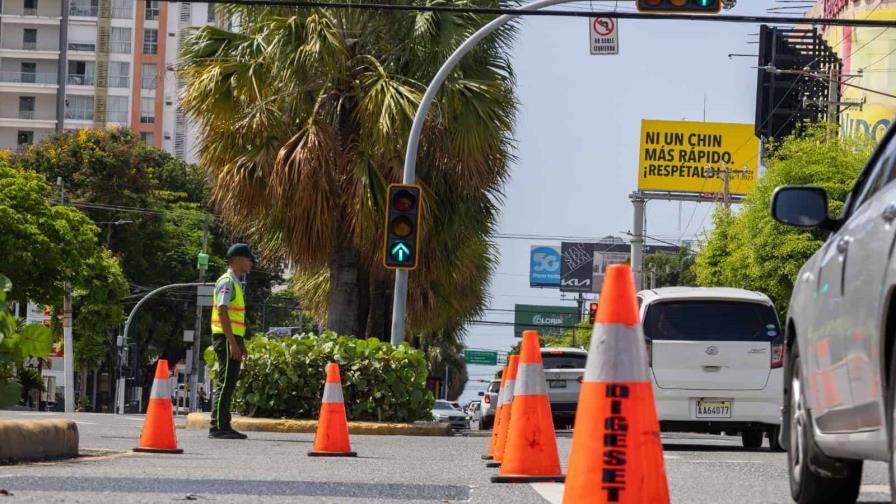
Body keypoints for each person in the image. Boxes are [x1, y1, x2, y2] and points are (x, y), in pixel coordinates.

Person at [209, 243, 256, 440]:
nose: (251, 263)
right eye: (248, 259)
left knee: (229, 382)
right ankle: (217, 426)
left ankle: (224, 424)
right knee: (225, 382)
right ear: (236, 260)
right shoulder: (227, 281)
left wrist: (240, 343)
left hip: (232, 337)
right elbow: (222, 310)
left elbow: (235, 319)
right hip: (225, 337)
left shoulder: (236, 282)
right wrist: (232, 342)